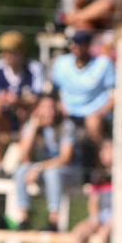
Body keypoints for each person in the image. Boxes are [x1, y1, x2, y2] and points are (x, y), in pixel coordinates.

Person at [12, 95, 80, 231]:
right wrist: (33, 127)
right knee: (21, 170)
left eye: (52, 107)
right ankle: (24, 219)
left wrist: (39, 167)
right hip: (44, 169)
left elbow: (65, 158)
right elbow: (23, 154)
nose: (50, 112)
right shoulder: (32, 125)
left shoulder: (66, 125)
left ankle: (53, 222)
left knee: (52, 172)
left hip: (70, 171)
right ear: (37, 109)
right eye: (45, 108)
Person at [0, 30, 44, 177]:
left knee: (27, 113)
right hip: (5, 118)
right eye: (2, 52)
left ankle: (25, 163)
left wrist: (17, 100)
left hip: (28, 119)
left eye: (8, 52)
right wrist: (4, 101)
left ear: (20, 52)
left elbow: (37, 98)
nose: (3, 56)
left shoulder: (34, 68)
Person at [50, 30, 115, 145]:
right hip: (68, 113)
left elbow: (115, 94)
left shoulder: (103, 64)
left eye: (81, 44)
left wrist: (98, 113)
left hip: (96, 113)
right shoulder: (61, 63)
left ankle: (98, 155)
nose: (76, 47)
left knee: (94, 125)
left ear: (88, 45)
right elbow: (54, 90)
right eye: (74, 43)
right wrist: (60, 106)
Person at [65, 140, 113, 243]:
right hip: (101, 216)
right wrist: (94, 217)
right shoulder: (98, 174)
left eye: (109, 150)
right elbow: (93, 200)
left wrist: (110, 223)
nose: (106, 154)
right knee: (78, 233)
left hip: (118, 218)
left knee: (104, 235)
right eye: (104, 150)